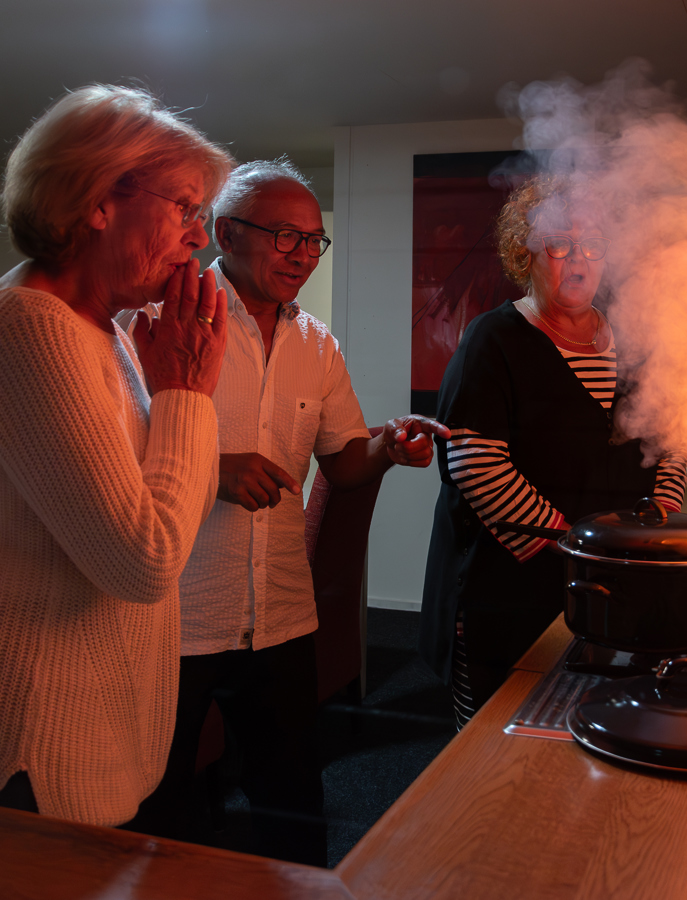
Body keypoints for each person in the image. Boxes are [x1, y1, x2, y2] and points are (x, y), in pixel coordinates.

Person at [125, 157, 449, 865]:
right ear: (223, 233)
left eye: (313, 240)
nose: (302, 255)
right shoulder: (150, 322)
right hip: (175, 620)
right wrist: (209, 471)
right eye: (283, 236)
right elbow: (105, 463)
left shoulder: (316, 343)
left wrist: (390, 449)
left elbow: (343, 463)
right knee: (160, 813)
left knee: (295, 803)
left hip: (279, 614)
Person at [0, 84, 233, 827]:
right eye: (184, 208)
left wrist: (176, 388)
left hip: (92, 735)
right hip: (31, 752)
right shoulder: (27, 329)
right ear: (99, 199)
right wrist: (186, 393)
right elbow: (144, 563)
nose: (199, 239)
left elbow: (175, 511)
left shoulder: (106, 332)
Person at [418, 175, 687, 728]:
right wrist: (575, 546)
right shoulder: (493, 339)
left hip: (617, 578)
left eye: (592, 245)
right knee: (496, 736)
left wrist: (655, 523)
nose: (579, 259)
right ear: (527, 253)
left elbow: (672, 436)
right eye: (560, 244)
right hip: (510, 584)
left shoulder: (635, 341)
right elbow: (477, 464)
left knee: (598, 724)